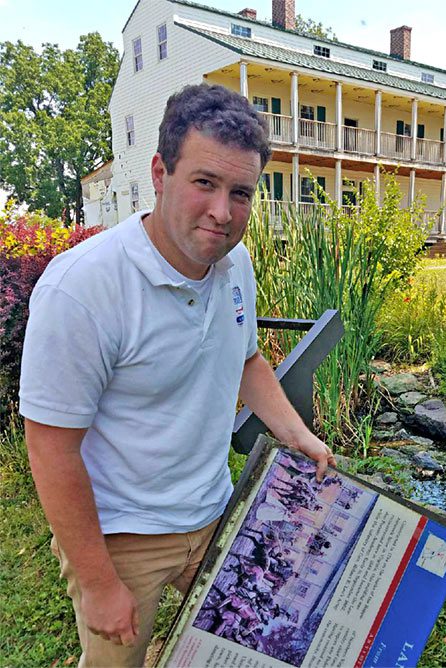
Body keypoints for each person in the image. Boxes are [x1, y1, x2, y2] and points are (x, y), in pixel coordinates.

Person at [19, 84, 335, 667]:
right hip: (121, 534)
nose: (223, 211)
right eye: (205, 183)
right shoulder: (82, 289)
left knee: (241, 651)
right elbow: (50, 448)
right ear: (161, 173)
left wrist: (297, 434)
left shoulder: (233, 261)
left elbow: (246, 360)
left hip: (215, 511)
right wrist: (96, 584)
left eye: (241, 193)